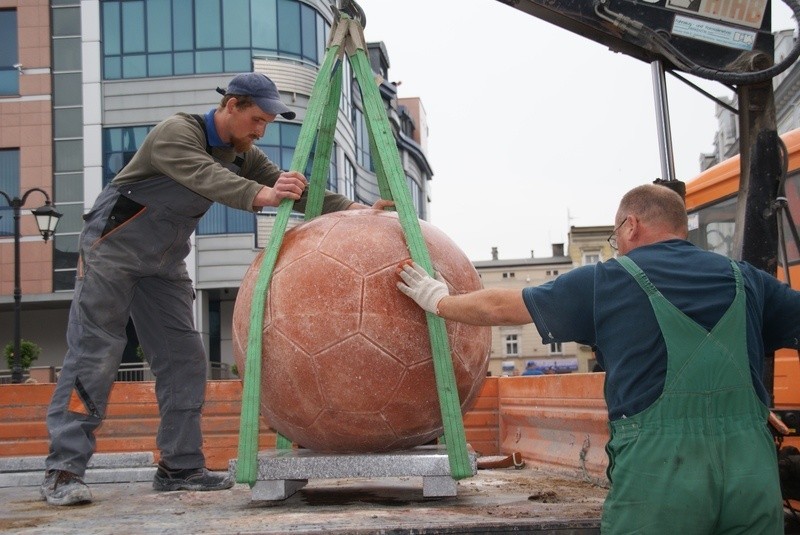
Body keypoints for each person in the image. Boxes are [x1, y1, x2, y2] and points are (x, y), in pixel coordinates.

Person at [42, 72, 391, 506]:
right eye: (257, 119)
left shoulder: (243, 154)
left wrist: (357, 209)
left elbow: (297, 192)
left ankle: (179, 466)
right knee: (96, 353)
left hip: (164, 262)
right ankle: (63, 471)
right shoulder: (177, 132)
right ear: (231, 106)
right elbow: (209, 178)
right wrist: (264, 195)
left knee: (184, 359)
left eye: (267, 123)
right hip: (113, 248)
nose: (260, 130)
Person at [397, 184, 800, 534]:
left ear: (630, 225)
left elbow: (505, 306)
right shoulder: (745, 278)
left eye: (615, 236)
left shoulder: (607, 280)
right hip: (752, 476)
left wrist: (439, 299)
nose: (618, 246)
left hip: (662, 478)